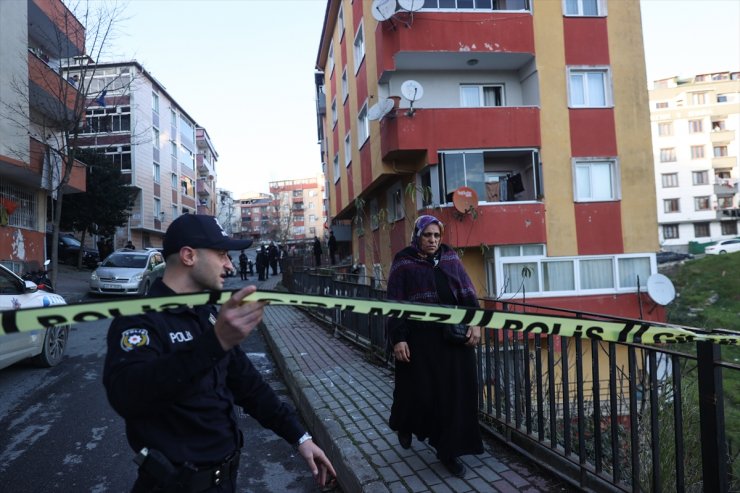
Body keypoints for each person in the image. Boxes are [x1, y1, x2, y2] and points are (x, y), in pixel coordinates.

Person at [103, 214, 336, 492]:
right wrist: (213, 343)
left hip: (223, 482)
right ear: (189, 256)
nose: (229, 266)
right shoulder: (139, 319)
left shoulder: (205, 314)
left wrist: (300, 437)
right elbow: (128, 394)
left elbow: (249, 386)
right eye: (222, 254)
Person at [386, 215, 483, 479]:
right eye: (427, 235)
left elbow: (467, 293)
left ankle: (448, 451)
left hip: (453, 340)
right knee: (420, 393)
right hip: (420, 340)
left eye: (437, 235)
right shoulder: (404, 261)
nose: (432, 240)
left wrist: (475, 323)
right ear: (417, 235)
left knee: (453, 396)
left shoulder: (450, 258)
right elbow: (395, 302)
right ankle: (406, 424)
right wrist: (398, 338)